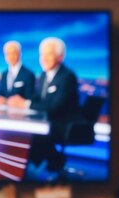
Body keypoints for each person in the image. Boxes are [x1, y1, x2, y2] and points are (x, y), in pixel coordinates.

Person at [10, 37, 80, 172]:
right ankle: (39, 165)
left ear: (60, 57)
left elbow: (55, 107)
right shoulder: (44, 75)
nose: (43, 58)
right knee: (24, 131)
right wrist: (19, 101)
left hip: (64, 125)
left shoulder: (67, 77)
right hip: (50, 122)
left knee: (31, 134)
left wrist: (25, 104)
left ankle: (51, 163)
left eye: (49, 54)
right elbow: (37, 99)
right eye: (42, 54)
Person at [0, 40, 35, 105]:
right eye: (8, 53)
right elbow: (2, 94)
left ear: (19, 54)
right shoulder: (4, 74)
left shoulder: (28, 74)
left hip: (22, 112)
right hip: (5, 113)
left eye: (13, 53)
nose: (11, 56)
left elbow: (30, 98)